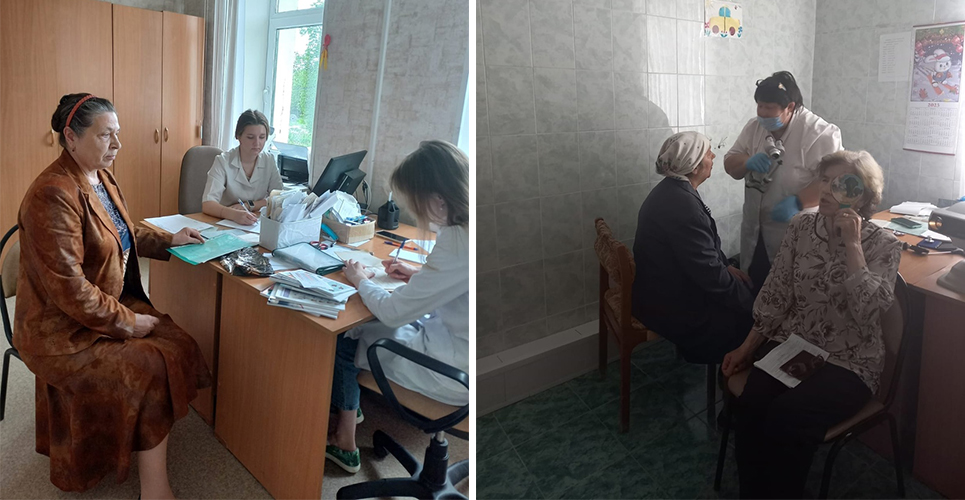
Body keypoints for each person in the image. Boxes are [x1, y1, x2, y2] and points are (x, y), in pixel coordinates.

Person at [15, 93, 212, 497]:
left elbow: (121, 234)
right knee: (149, 366)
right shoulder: (52, 193)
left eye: (117, 134)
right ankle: (155, 490)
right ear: (71, 137)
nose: (118, 144)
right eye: (106, 135)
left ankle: (133, 444)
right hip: (61, 330)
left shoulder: (99, 176)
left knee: (178, 343)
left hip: (103, 302)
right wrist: (129, 322)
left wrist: (169, 240)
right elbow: (70, 289)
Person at [721, 150, 901, 499]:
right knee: (753, 402)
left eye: (842, 184)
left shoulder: (885, 245)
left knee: (789, 416)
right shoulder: (802, 226)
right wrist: (746, 348)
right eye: (825, 180)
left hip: (850, 359)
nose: (828, 190)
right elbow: (776, 293)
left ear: (862, 195)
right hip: (797, 343)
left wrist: (852, 244)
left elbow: (867, 311)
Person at [326, 140, 469, 473]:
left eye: (415, 202)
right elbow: (459, 283)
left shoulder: (456, 240)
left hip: (451, 373)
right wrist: (418, 275)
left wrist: (360, 279)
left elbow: (392, 313)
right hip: (460, 351)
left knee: (346, 337)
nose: (416, 211)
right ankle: (351, 404)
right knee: (366, 326)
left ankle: (345, 441)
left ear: (438, 199)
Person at [632, 131, 755, 364]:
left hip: (655, 292)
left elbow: (703, 250)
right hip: (668, 306)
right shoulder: (683, 206)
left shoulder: (671, 190)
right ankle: (730, 372)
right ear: (694, 166)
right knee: (748, 324)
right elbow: (710, 275)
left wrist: (726, 266)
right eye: (708, 154)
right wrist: (753, 306)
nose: (713, 156)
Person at [724, 71, 842, 292]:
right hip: (755, 229)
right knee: (756, 286)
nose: (762, 113)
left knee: (791, 290)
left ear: (790, 107)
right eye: (760, 106)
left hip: (797, 231)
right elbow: (730, 163)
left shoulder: (819, 133)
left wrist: (798, 201)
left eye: (769, 108)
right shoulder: (754, 127)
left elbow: (834, 182)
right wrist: (747, 161)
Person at [201, 109, 283, 225]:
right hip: (225, 221)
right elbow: (208, 204)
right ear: (238, 136)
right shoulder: (223, 161)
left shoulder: (269, 160)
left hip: (255, 221)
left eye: (262, 137)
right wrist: (234, 214)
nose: (257, 143)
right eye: (250, 137)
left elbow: (279, 198)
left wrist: (249, 205)